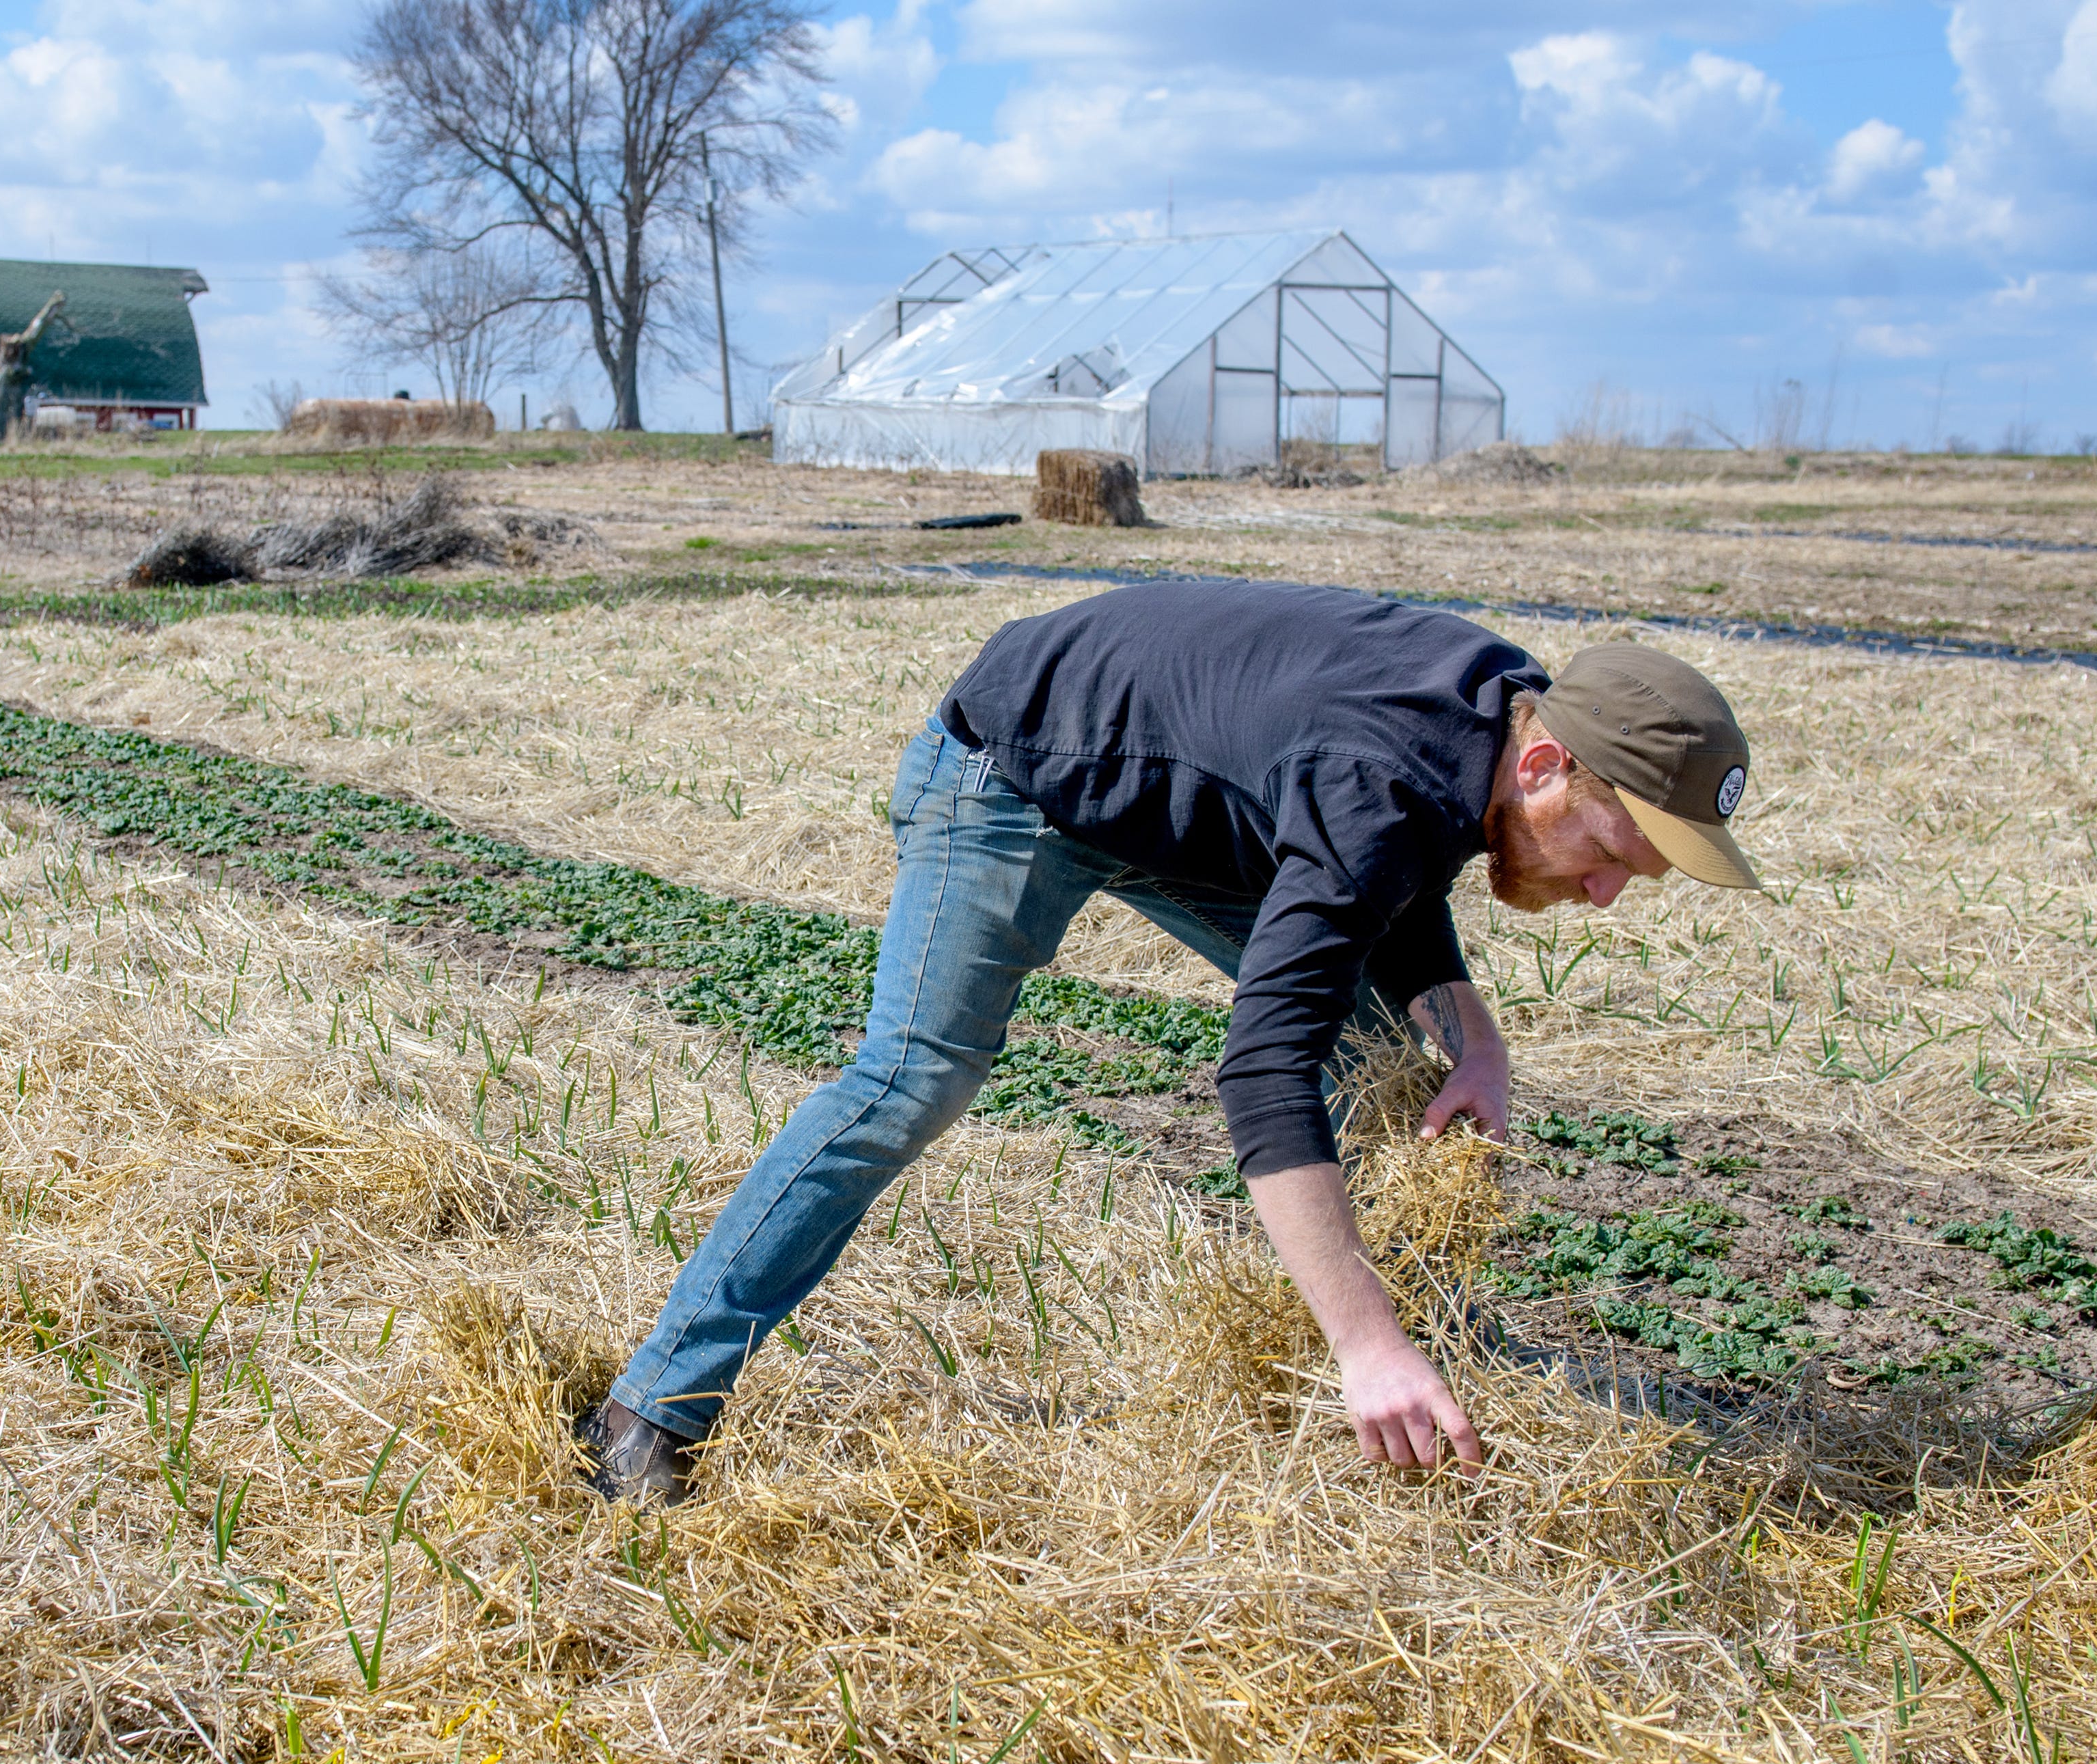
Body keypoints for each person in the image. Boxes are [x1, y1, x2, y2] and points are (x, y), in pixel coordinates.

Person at [580, 579, 1764, 1501]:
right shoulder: (1380, 780)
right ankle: (651, 1408)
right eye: (1611, 856)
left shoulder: (1496, 717)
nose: (1605, 895)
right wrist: (1365, 1339)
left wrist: (1477, 1040)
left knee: (1390, 1056)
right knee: (912, 1079)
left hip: (1181, 801)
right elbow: (1261, 1060)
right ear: (1549, 764)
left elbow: (1397, 877)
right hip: (1017, 771)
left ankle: (1421, 1356)